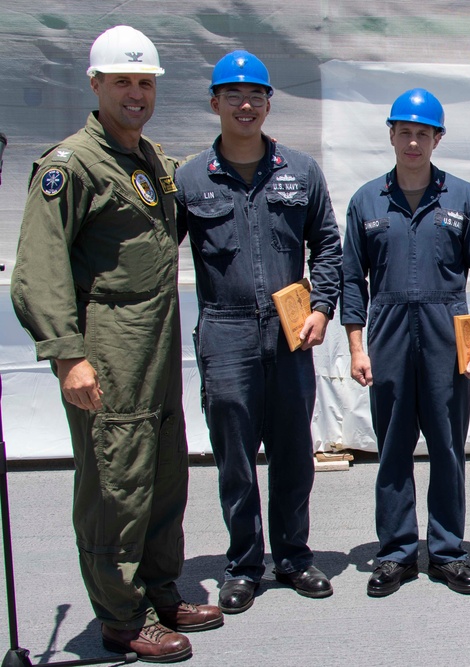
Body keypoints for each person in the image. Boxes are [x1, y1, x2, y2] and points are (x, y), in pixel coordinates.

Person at [10, 25, 222, 662]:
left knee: (163, 475)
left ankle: (158, 590)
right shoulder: (70, 166)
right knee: (115, 484)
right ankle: (122, 617)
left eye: (145, 82)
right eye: (123, 81)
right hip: (108, 350)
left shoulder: (151, 160)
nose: (135, 93)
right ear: (96, 84)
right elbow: (38, 271)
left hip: (155, 348)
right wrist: (68, 355)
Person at [173, 50, 342, 614]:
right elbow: (154, 253)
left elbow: (328, 248)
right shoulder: (190, 177)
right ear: (215, 103)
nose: (246, 105)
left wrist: (321, 308)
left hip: (291, 331)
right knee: (236, 456)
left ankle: (293, 556)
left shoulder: (301, 171)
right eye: (234, 95)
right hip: (224, 331)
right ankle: (244, 562)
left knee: (294, 451)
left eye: (257, 95)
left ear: (269, 103)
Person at [341, 88, 470, 597]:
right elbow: (351, 280)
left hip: (446, 329)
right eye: (405, 131)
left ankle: (449, 552)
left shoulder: (463, 198)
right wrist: (356, 346)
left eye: (423, 133)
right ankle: (395, 553)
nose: (413, 141)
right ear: (391, 134)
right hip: (387, 328)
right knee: (392, 448)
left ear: (438, 139)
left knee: (448, 447)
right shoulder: (367, 200)